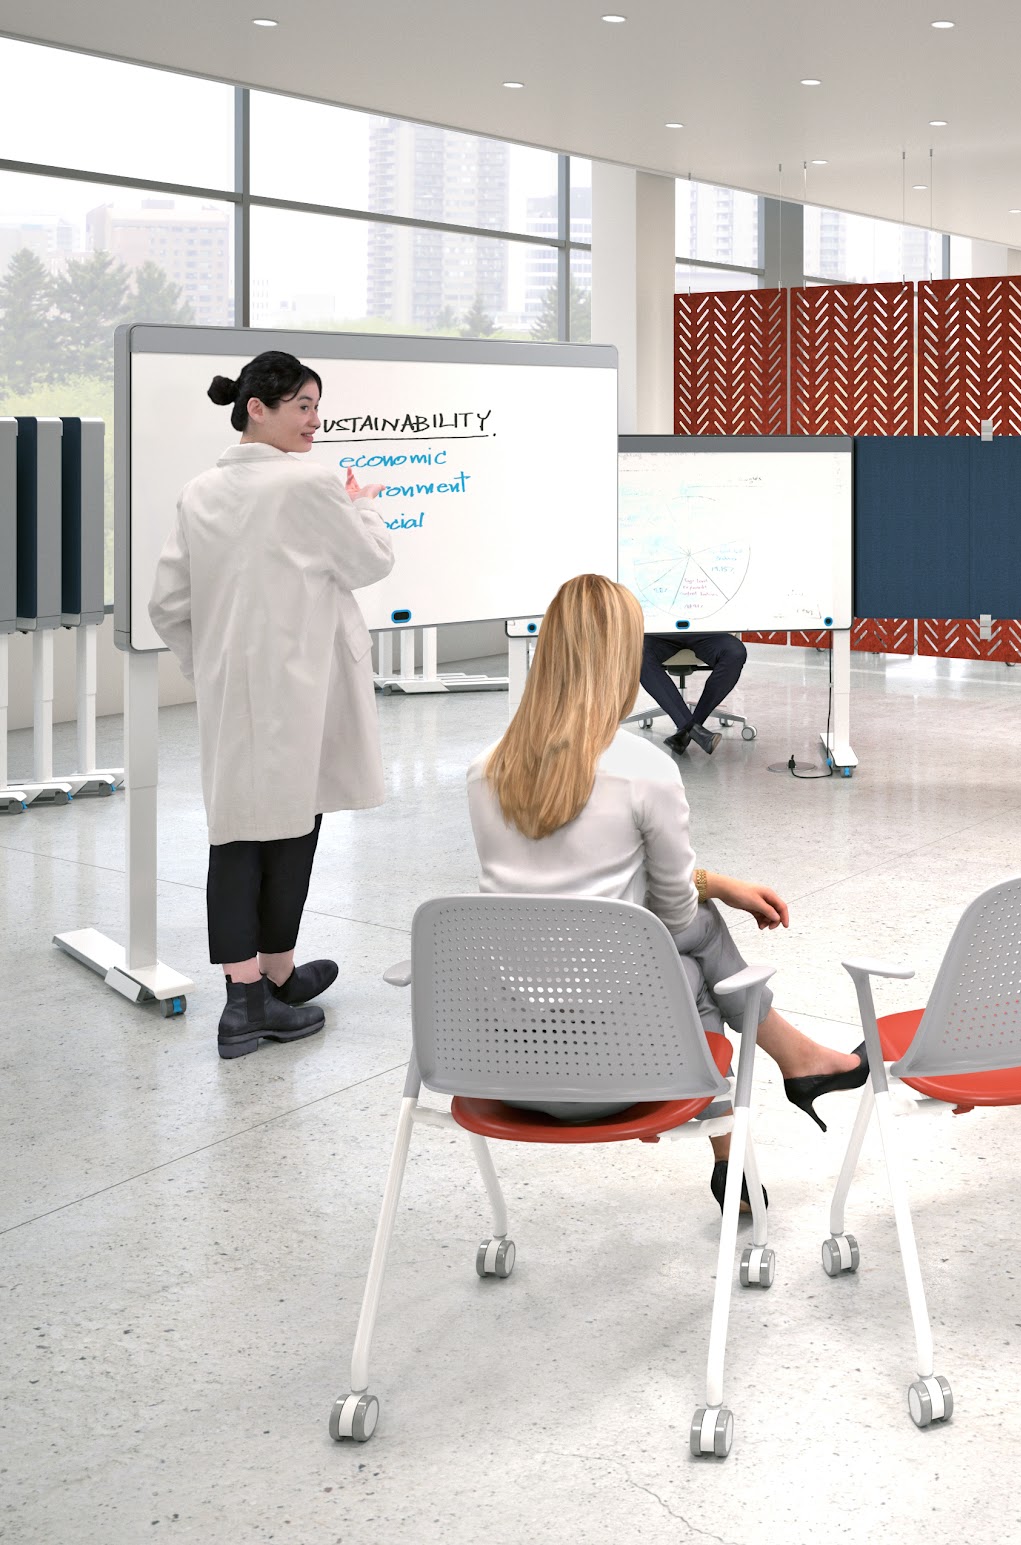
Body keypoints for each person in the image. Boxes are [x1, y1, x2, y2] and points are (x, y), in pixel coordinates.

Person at [468, 574, 867, 1212]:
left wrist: (716, 885)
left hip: (504, 1067)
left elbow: (561, 890)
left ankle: (745, 1147)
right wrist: (716, 888)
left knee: (682, 961)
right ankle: (785, 1079)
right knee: (692, 949)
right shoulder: (643, 769)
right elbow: (675, 912)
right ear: (624, 657)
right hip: (626, 1070)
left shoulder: (485, 769)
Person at [151, 351, 393, 1060]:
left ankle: (270, 978)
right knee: (291, 827)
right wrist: (364, 504)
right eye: (303, 406)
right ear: (256, 407)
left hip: (236, 691)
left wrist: (212, 667)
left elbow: (167, 604)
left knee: (240, 833)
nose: (315, 421)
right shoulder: (310, 483)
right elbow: (370, 561)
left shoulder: (200, 491)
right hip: (302, 686)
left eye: (317, 407)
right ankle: (250, 1002)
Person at [639, 631, 747, 755]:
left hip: (707, 632)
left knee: (735, 653)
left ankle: (686, 731)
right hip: (659, 634)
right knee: (637, 653)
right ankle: (694, 730)